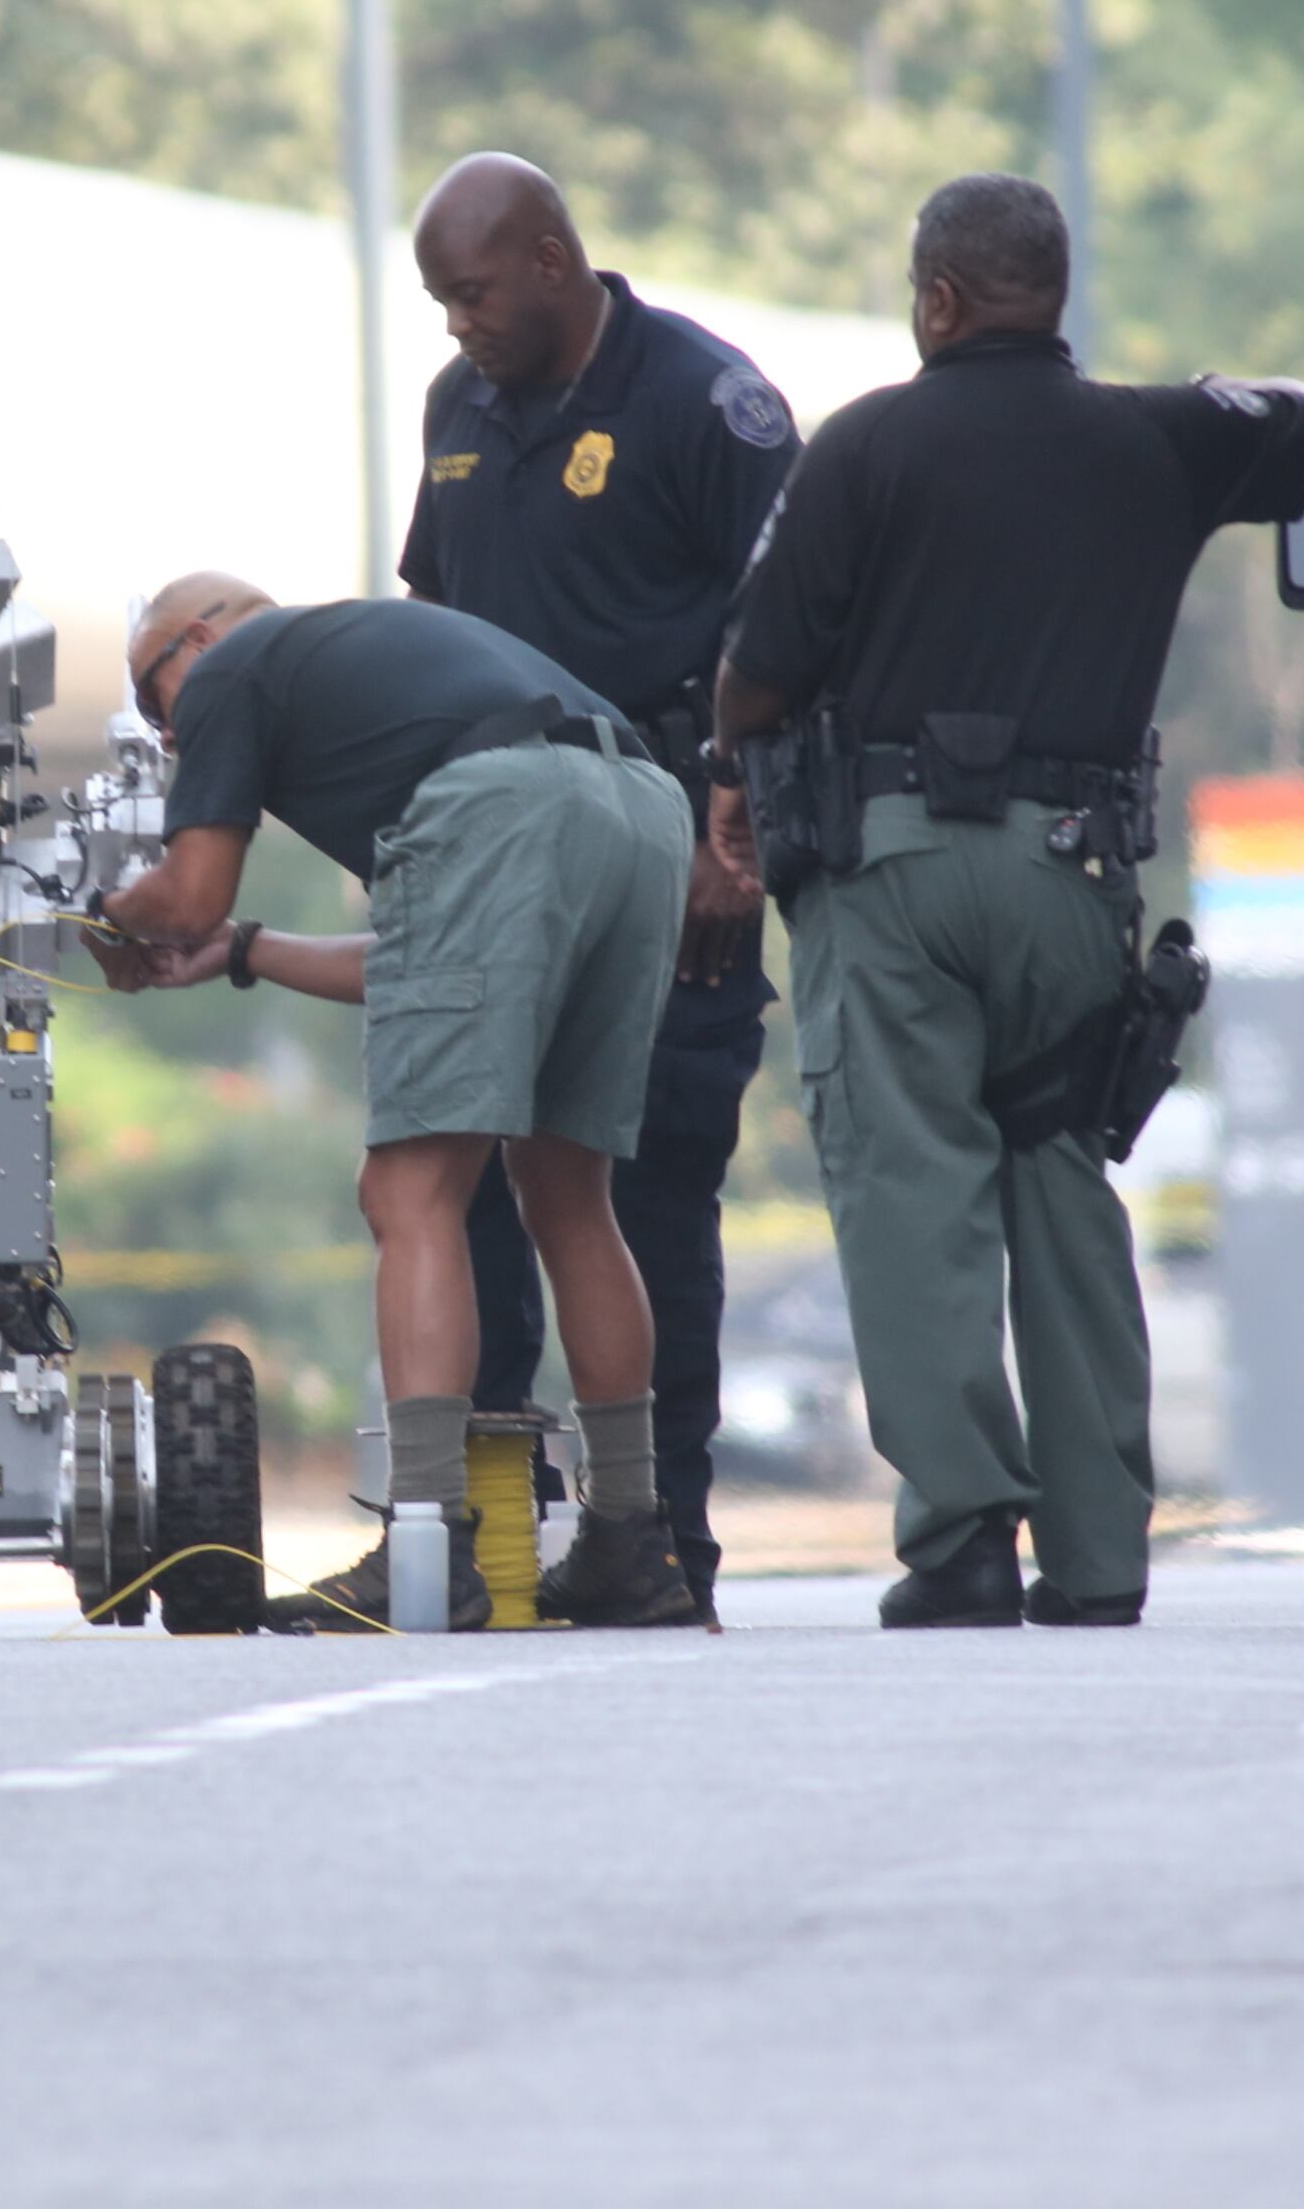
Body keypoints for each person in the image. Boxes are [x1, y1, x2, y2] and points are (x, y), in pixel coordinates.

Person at [709, 173, 1304, 1630]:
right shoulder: (1160, 439)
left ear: (937, 298)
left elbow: (755, 679)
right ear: (1055, 290)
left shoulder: (867, 444)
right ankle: (1101, 1556)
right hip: (1073, 872)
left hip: (891, 872)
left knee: (913, 1187)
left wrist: (733, 772)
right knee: (1060, 1175)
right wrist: (1226, 403)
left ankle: (962, 1543)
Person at [85, 575, 703, 1631]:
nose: (168, 734)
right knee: (570, 1195)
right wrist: (245, 952)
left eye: (156, 701)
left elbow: (188, 896)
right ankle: (633, 1545)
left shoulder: (234, 667)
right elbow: (424, 957)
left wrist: (102, 913)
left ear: (196, 637)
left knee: (408, 1192)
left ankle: (426, 1548)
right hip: (644, 811)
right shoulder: (392, 676)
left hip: (508, 812)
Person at [400, 152, 788, 1628]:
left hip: (669, 849)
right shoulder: (459, 408)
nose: (458, 324)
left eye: (473, 292)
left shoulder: (705, 404)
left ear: (552, 259)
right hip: (498, 858)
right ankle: (490, 1552)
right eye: (441, 301)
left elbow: (790, 633)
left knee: (654, 1192)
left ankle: (659, 1542)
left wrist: (731, 835)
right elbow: (433, 617)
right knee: (474, 1193)